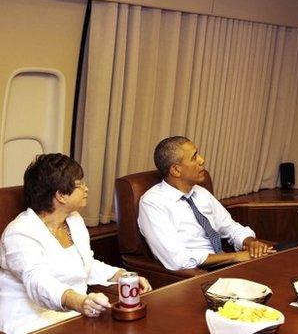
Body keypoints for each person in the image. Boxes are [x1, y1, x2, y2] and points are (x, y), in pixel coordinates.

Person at [0, 154, 152, 334]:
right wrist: (80, 302)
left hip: (74, 315)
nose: (86, 189)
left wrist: (124, 276)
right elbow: (38, 282)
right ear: (61, 195)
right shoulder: (20, 232)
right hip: (31, 322)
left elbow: (85, 265)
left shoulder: (73, 220)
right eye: (80, 184)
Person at [138, 136, 275, 271]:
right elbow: (178, 260)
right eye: (194, 157)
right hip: (200, 273)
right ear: (176, 170)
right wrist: (236, 257)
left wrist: (251, 243)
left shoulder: (200, 193)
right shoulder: (152, 203)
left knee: (286, 254)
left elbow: (232, 228)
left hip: (226, 263)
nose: (202, 160)